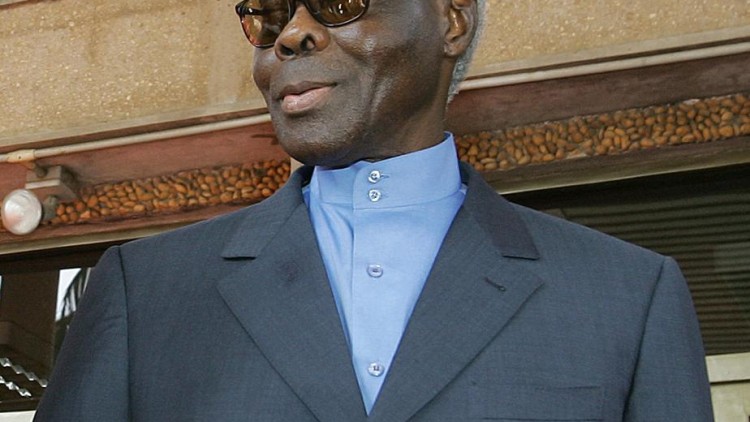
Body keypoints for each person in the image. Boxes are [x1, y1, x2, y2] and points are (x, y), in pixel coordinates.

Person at [35, 0, 714, 420]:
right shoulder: (147, 291)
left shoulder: (628, 295)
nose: (291, 35)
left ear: (450, 21)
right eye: (269, 15)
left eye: (338, 3)